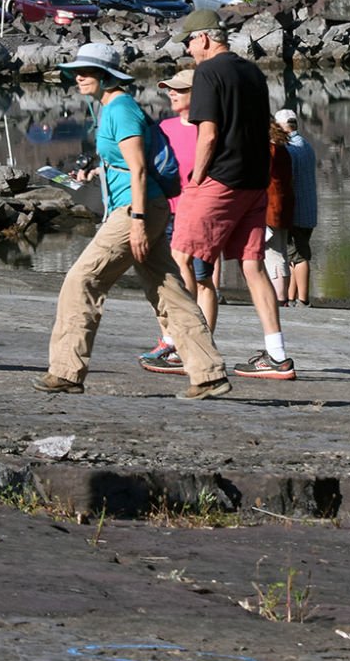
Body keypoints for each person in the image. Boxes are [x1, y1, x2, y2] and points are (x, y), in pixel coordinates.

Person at [33, 43, 230, 401]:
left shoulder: (120, 108)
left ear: (107, 76)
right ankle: (209, 374)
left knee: (81, 281)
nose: (79, 77)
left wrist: (137, 221)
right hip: (143, 208)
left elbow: (139, 169)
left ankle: (66, 372)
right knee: (168, 290)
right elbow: (125, 164)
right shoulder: (110, 109)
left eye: (88, 71)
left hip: (135, 210)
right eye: (77, 70)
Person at [171, 10, 296, 380]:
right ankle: (277, 356)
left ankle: (186, 349)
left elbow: (208, 134)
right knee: (252, 266)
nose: (189, 49)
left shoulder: (208, 72)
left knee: (181, 256)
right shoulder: (253, 72)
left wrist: (196, 175)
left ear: (205, 39)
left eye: (189, 41)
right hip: (255, 180)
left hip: (220, 179)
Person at [139, 68, 218, 373]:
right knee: (167, 279)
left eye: (179, 90)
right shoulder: (165, 126)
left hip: (200, 213)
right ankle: (172, 338)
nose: (171, 93)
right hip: (165, 212)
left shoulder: (210, 130)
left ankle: (200, 342)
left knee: (202, 278)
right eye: (169, 89)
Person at [275, 107, 318, 306]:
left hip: (295, 209)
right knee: (293, 254)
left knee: (299, 256)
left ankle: (303, 299)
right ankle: (291, 297)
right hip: (309, 209)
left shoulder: (290, 149)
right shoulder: (307, 146)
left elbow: (288, 180)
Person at [263, 116, 295, 303]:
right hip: (284, 205)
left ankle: (279, 296)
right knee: (281, 251)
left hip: (269, 207)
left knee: (273, 254)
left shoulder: (269, 151)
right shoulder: (284, 150)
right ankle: (283, 295)